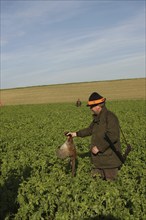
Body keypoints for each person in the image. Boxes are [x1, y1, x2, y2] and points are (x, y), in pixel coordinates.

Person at [67, 92, 122, 181]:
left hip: (109, 162)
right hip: (99, 161)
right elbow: (89, 130)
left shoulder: (110, 117)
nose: (90, 109)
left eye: (91, 107)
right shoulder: (97, 118)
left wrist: (99, 147)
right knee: (95, 184)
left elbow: (113, 136)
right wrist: (75, 134)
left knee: (111, 187)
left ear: (98, 106)